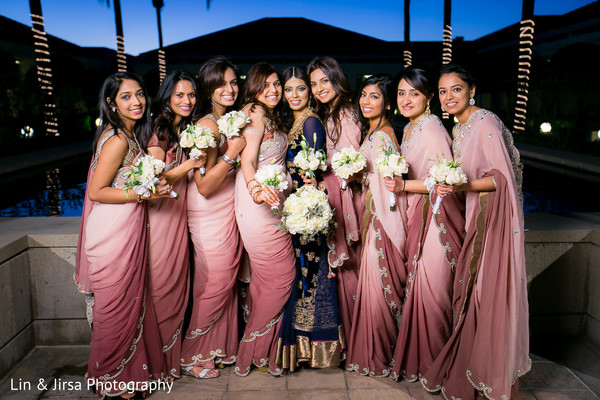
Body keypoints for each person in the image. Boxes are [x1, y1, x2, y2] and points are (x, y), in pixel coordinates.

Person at [420, 64, 530, 399]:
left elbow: (501, 179)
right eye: (442, 91)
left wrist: (461, 184)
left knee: (485, 295)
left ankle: (489, 373)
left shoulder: (484, 122)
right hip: (474, 217)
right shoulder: (460, 128)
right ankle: (473, 366)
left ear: (471, 90)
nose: (449, 97)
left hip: (491, 223)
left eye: (456, 89)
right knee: (472, 295)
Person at [74, 72, 167, 398]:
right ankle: (113, 381)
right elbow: (98, 191)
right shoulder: (117, 140)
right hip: (112, 233)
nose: (137, 101)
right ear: (112, 103)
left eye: (140, 94)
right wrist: (143, 194)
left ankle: (123, 378)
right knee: (114, 308)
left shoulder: (128, 136)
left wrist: (151, 188)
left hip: (125, 228)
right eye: (126, 96)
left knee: (125, 304)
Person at [385, 66, 464, 382]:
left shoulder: (431, 128)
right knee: (420, 290)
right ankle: (423, 363)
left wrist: (403, 186)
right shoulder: (409, 127)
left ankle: (437, 366)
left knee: (432, 292)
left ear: (429, 97)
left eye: (414, 93)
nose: (406, 100)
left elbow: (443, 178)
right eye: (401, 93)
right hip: (418, 215)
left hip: (436, 219)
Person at [180, 56, 247, 379]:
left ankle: (216, 348)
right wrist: (232, 154)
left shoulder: (230, 119)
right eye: (221, 83)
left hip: (227, 208)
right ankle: (192, 354)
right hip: (208, 210)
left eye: (234, 82)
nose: (229, 89)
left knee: (220, 280)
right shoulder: (206, 126)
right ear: (208, 88)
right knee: (216, 280)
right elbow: (204, 185)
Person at [275, 65, 344, 372]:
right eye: (288, 89)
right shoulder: (292, 122)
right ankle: (302, 346)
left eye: (300, 89)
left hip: (308, 211)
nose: (293, 95)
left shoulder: (312, 122)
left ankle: (314, 347)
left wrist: (307, 208)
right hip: (294, 208)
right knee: (301, 276)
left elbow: (315, 175)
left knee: (310, 275)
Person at [140, 70, 205, 381]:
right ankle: (156, 362)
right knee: (163, 285)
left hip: (179, 214)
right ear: (167, 97)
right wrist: (190, 164)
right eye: (179, 95)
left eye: (190, 94)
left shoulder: (184, 128)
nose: (186, 100)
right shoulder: (161, 130)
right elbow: (156, 178)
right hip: (162, 216)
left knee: (178, 285)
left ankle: (168, 359)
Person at [233, 63, 296, 377]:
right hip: (257, 202)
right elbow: (247, 159)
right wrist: (256, 190)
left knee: (266, 280)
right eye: (265, 85)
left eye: (276, 84)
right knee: (282, 276)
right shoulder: (255, 113)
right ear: (253, 89)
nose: (273, 90)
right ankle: (251, 348)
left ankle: (266, 352)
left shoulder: (273, 114)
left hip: (276, 201)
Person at [345, 74, 407, 377]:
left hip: (381, 220)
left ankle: (380, 353)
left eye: (375, 97)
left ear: (387, 103)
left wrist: (385, 230)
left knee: (377, 287)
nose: (366, 102)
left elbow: (388, 186)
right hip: (372, 216)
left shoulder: (382, 136)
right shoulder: (373, 133)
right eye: (364, 95)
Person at [307, 56, 362, 339]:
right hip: (333, 196)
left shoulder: (345, 114)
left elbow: (350, 168)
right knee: (341, 274)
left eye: (324, 81)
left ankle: (357, 338)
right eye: (314, 84)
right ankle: (348, 338)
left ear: (336, 79)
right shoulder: (330, 112)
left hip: (347, 200)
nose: (319, 88)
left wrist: (321, 179)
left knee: (349, 269)